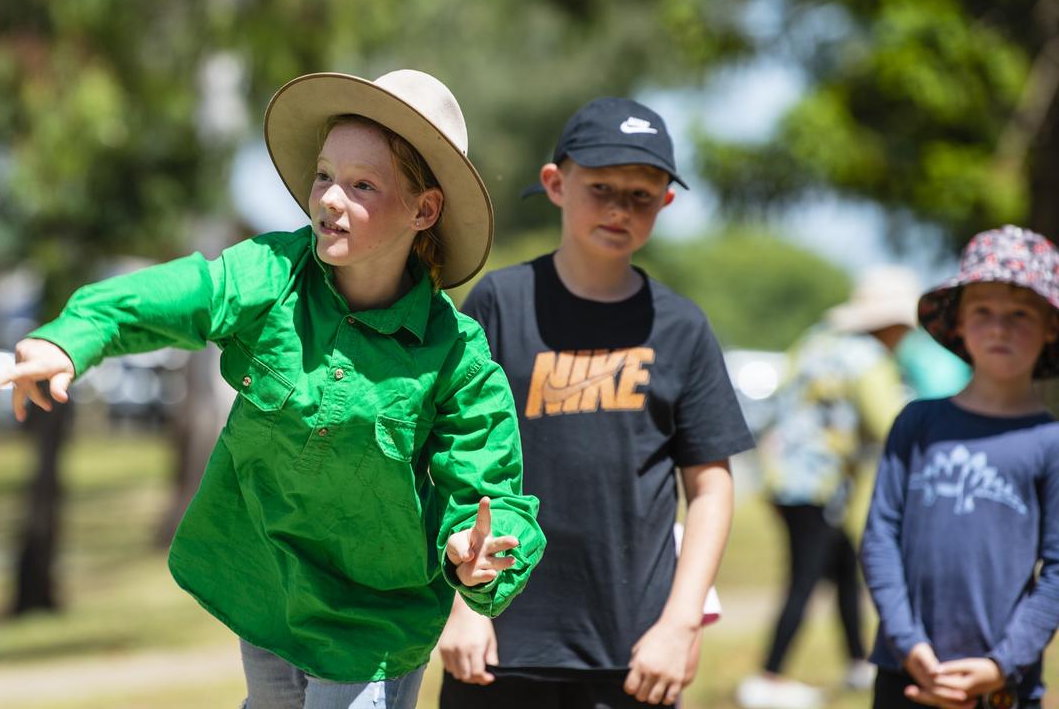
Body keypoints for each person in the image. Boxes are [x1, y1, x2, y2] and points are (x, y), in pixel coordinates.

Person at [0, 69, 546, 709]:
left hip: (373, 624)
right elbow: (185, 296)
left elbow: (492, 497)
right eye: (324, 175)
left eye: (363, 185)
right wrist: (73, 335)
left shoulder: (459, 359)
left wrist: (484, 558)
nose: (331, 198)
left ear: (424, 209)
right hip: (267, 587)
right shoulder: (272, 273)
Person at [437, 96, 752, 709]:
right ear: (556, 184)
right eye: (601, 186)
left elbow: (711, 487)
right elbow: (446, 464)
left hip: (636, 653)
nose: (619, 208)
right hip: (498, 641)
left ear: (665, 202)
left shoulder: (682, 327)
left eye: (641, 194)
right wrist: (461, 607)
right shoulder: (500, 303)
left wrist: (680, 624)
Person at [860, 225, 1059, 709]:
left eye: (1019, 314)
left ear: (1050, 326)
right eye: (983, 312)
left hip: (1001, 685)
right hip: (905, 671)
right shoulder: (918, 422)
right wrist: (908, 644)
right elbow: (880, 535)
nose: (999, 328)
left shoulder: (1049, 442)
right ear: (959, 323)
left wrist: (1001, 664)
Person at [737, 266, 922, 709]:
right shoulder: (869, 359)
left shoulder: (817, 341)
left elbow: (778, 401)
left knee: (842, 568)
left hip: (783, 479)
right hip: (818, 486)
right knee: (804, 579)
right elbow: (891, 424)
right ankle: (769, 675)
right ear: (892, 324)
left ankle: (858, 662)